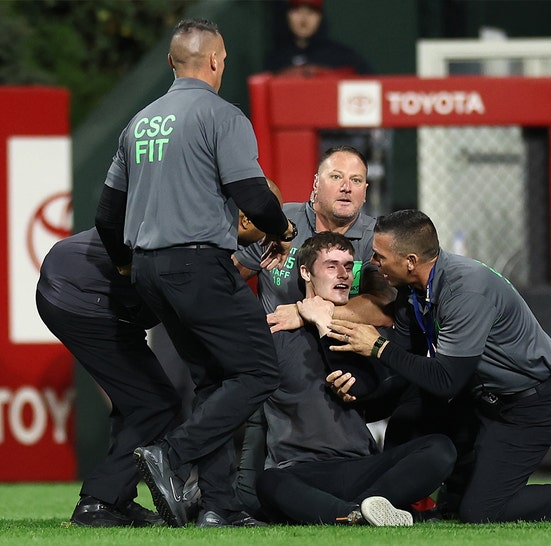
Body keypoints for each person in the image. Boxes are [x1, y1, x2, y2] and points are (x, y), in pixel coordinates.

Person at [94, 18, 297, 528]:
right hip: (199, 264)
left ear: (170, 62)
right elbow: (252, 197)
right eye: (223, 59)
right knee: (259, 372)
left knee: (212, 380)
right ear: (213, 60)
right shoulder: (221, 116)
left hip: (149, 269)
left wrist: (130, 266)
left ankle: (217, 508)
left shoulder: (138, 122)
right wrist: (283, 228)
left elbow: (105, 216)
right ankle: (170, 455)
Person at [326, 209, 551, 523]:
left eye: (380, 257)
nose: (374, 263)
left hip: (529, 403)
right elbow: (403, 361)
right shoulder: (414, 291)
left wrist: (378, 345)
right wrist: (357, 389)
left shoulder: (464, 291)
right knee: (409, 418)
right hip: (481, 395)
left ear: (411, 261)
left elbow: (446, 380)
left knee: (482, 512)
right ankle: (411, 506)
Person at [232, 145, 395, 518]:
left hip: (346, 368)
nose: (346, 188)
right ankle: (200, 491)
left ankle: (398, 495)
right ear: (315, 184)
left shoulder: (377, 238)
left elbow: (384, 309)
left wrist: (307, 315)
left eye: (356, 181)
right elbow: (228, 279)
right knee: (249, 503)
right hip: (275, 371)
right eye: (336, 177)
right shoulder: (279, 221)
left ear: (366, 191)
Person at [255, 231, 455, 526]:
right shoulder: (274, 334)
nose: (344, 275)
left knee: (440, 449)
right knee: (269, 483)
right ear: (305, 273)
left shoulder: (363, 336)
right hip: (302, 470)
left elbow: (359, 385)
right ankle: (362, 513)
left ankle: (356, 512)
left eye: (349, 267)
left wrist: (325, 322)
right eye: (332, 266)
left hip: (362, 466)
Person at [35, 228, 181, 527]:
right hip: (82, 293)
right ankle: (98, 502)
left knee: (138, 404)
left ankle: (116, 499)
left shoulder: (180, 211)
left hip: (81, 285)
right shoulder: (200, 231)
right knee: (155, 404)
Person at [265, 0, 372, 77]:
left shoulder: (342, 57)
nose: (303, 20)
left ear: (320, 17)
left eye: (310, 12)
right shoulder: (277, 59)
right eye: (297, 11)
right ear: (287, 15)